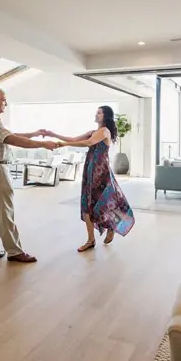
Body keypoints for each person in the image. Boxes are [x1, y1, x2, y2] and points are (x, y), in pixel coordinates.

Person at [0, 87, 58, 264]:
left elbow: (10, 134)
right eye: (3, 99)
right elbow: (14, 140)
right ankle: (14, 251)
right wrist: (43, 144)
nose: (6, 102)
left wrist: (34, 134)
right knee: (4, 212)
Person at [43, 106, 135, 252]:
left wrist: (65, 144)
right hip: (90, 171)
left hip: (102, 172)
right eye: (96, 112)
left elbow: (88, 143)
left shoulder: (104, 131)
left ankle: (112, 226)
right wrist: (52, 134)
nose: (96, 114)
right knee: (87, 205)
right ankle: (90, 240)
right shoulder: (93, 132)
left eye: (99, 112)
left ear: (105, 116)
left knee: (109, 202)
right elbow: (73, 139)